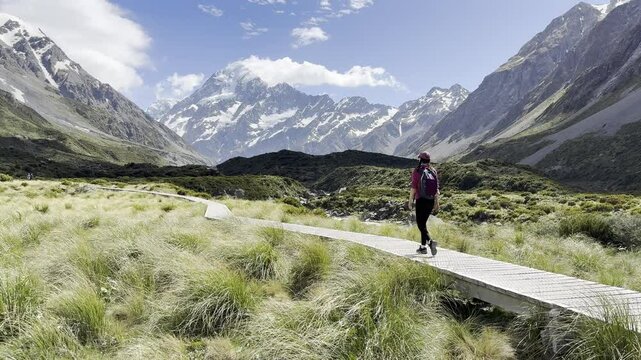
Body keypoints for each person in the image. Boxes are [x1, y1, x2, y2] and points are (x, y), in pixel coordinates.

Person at [408, 151, 440, 255]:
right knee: (423, 224)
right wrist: (437, 203)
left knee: (420, 224)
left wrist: (410, 202)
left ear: (420, 160)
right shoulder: (433, 171)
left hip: (421, 200)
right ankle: (422, 248)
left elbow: (413, 188)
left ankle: (430, 242)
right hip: (430, 200)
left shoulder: (417, 171)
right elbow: (437, 190)